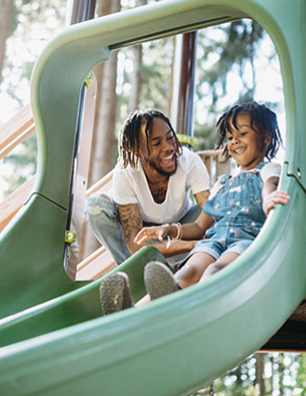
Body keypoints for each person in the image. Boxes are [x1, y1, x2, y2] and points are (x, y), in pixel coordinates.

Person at [100, 101, 290, 314]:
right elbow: (200, 226)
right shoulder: (223, 183)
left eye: (243, 133)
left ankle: (198, 310)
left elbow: (270, 185)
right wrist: (170, 230)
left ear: (265, 137)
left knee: (215, 270)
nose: (235, 141)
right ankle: (130, 312)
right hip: (214, 241)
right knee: (186, 273)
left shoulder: (267, 169)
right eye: (230, 137)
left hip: (244, 241)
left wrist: (269, 199)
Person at [85, 108, 211, 266]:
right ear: (137, 151)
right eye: (157, 143)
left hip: (182, 226)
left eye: (170, 137)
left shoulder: (190, 161)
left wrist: (183, 236)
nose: (168, 147)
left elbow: (210, 214)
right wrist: (192, 245)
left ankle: (180, 266)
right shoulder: (126, 174)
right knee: (95, 207)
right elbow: (136, 245)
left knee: (215, 204)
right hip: (141, 234)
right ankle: (136, 272)